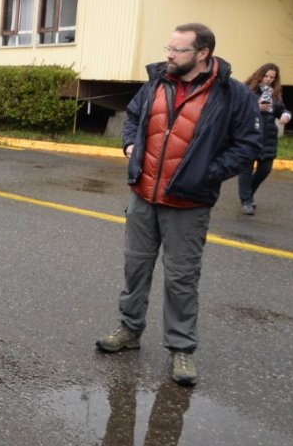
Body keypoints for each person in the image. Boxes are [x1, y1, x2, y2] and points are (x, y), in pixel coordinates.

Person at [96, 23, 260, 387]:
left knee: (181, 279)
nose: (169, 54)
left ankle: (181, 349)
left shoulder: (231, 94)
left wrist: (206, 172)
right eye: (168, 47)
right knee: (135, 270)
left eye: (178, 49)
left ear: (202, 54)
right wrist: (129, 147)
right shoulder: (156, 81)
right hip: (143, 195)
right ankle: (129, 331)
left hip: (188, 203)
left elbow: (248, 146)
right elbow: (135, 117)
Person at [238, 63, 292, 215]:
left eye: (272, 78)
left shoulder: (275, 94)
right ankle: (246, 201)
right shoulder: (247, 89)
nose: (268, 80)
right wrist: (256, 107)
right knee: (246, 170)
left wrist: (285, 115)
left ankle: (249, 194)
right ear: (259, 75)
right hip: (249, 134)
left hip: (268, 136)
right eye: (266, 76)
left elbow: (282, 109)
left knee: (265, 170)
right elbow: (238, 109)